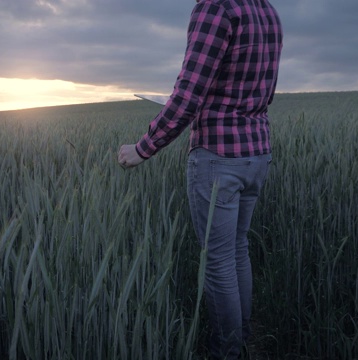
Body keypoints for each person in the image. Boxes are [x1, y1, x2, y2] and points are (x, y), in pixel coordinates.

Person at [117, 0, 282, 358]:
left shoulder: (215, 8)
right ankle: (243, 338)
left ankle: (228, 351)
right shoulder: (266, 9)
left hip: (218, 157)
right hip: (257, 150)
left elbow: (188, 96)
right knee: (238, 250)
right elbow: (262, 92)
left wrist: (143, 148)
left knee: (219, 259)